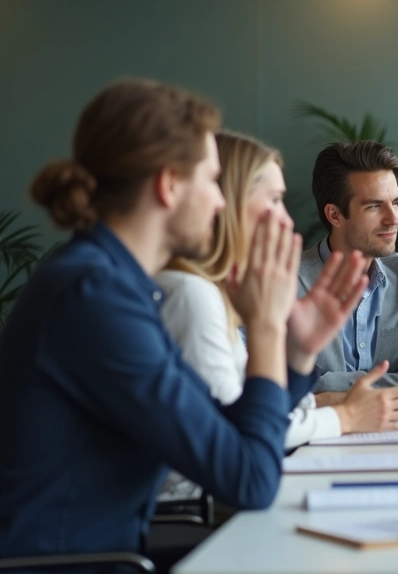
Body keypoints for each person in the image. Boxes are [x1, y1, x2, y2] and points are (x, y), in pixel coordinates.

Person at [0, 79, 366, 562]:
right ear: (168, 184)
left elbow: (228, 436)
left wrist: (295, 351)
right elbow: (248, 480)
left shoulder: (113, 285)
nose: (221, 203)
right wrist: (264, 326)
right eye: (212, 182)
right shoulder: (94, 297)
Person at [158, 131, 398, 451]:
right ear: (227, 203)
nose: (286, 221)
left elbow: (266, 414)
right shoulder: (193, 295)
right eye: (274, 200)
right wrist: (347, 415)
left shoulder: (213, 292)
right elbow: (249, 440)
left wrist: (311, 374)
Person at [304, 141, 398, 411]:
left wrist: (333, 392)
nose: (393, 219)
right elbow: (284, 388)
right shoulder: (287, 282)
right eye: (374, 206)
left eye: (396, 202)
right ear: (335, 214)